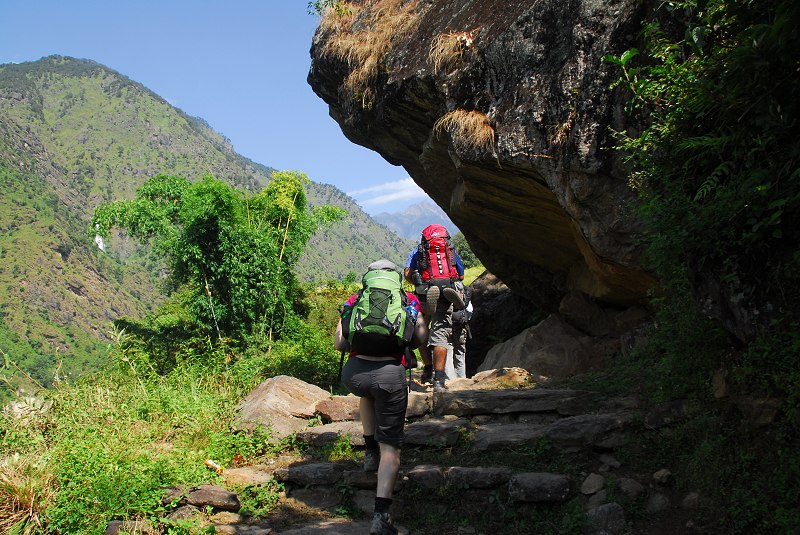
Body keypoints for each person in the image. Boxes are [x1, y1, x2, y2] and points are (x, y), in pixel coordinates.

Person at [335, 259, 428, 535]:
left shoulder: (355, 299)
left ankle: (369, 451)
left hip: (354, 375)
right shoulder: (408, 299)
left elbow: (339, 343)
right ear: (394, 278)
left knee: (368, 393)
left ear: (369, 277)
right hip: (390, 375)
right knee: (392, 447)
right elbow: (421, 338)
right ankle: (381, 516)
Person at [404, 225, 465, 392]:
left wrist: (419, 284)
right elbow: (460, 275)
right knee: (441, 334)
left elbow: (408, 273)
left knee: (421, 331)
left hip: (423, 296)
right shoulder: (450, 249)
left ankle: (428, 369)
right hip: (446, 295)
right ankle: (439, 380)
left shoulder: (417, 251)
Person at [449, 284, 473, 379]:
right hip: (461, 327)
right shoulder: (465, 294)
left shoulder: (446, 290)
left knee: (448, 353)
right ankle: (462, 379)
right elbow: (470, 311)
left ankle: (449, 380)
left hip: (447, 326)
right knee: (460, 354)